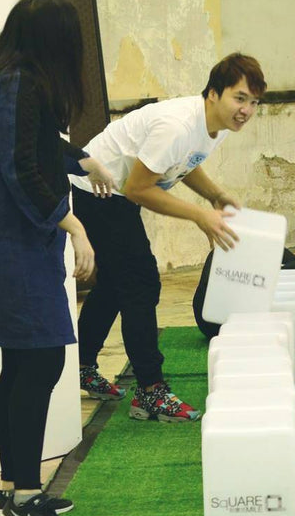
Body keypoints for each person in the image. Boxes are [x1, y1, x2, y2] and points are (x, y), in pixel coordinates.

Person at [0, 0, 118, 516]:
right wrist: (72, 225)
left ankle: (14, 489)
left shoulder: (3, 80)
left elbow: (34, 142)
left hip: (2, 247)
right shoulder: (21, 82)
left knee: (25, 367)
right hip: (9, 249)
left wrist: (82, 157)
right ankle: (23, 500)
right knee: (41, 363)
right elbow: (23, 166)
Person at [70, 54, 265, 422]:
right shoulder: (176, 125)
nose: (246, 110)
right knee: (141, 283)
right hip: (95, 192)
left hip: (115, 193)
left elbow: (184, 162)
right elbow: (139, 189)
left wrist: (215, 195)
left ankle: (80, 365)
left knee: (116, 282)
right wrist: (200, 216)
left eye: (254, 102)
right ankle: (150, 391)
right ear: (213, 94)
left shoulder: (216, 125)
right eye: (240, 98)